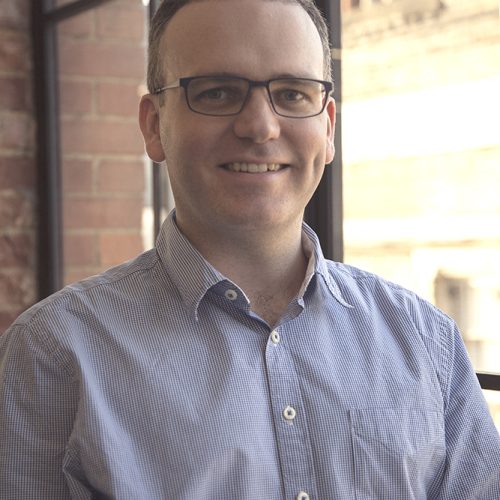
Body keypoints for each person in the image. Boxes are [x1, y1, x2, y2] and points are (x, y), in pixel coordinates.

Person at [1, 0, 499, 498]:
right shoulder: (52, 356)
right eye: (217, 92)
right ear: (154, 125)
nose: (261, 126)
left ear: (328, 127)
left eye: (292, 93)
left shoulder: (425, 340)